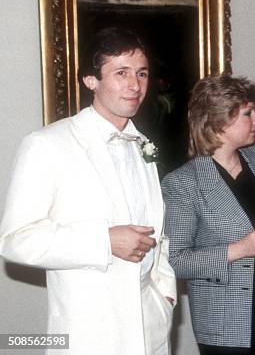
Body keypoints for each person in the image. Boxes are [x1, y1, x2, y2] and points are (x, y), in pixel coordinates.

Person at [0, 27, 176, 355]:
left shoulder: (143, 145)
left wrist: (164, 296)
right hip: (90, 332)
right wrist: (104, 240)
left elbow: (158, 233)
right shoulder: (46, 145)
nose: (135, 85)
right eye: (121, 73)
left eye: (142, 73)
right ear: (90, 81)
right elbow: (15, 240)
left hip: (150, 329)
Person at [162, 75, 255, 355]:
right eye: (248, 114)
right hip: (227, 321)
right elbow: (175, 261)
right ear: (219, 122)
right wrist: (239, 250)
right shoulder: (183, 183)